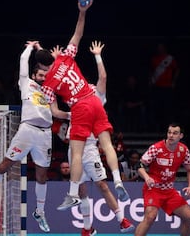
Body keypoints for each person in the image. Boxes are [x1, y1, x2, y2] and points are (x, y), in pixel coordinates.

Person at [35, 0, 129, 210]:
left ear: (41, 67)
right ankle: (119, 180)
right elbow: (78, 33)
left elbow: (56, 112)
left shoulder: (47, 86)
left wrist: (68, 115)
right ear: (52, 56)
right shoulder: (66, 57)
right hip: (94, 100)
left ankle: (72, 194)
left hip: (79, 108)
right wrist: (82, 11)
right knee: (106, 144)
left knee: (76, 153)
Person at [0, 41, 70, 233]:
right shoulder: (26, 83)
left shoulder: (49, 91)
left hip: (44, 135)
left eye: (45, 75)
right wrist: (31, 47)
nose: (43, 78)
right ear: (34, 75)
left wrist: (71, 115)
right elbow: (23, 62)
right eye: (40, 75)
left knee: (42, 176)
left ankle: (39, 212)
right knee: (5, 165)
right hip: (27, 130)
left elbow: (57, 113)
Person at [64, 40, 134, 235]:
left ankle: (122, 220)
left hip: (90, 148)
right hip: (74, 147)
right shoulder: (75, 96)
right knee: (81, 190)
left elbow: (103, 75)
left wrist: (97, 55)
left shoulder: (98, 96)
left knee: (102, 185)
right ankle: (88, 229)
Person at [134, 123, 190, 236]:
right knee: (150, 216)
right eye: (169, 132)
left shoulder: (183, 150)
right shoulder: (156, 148)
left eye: (175, 133)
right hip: (153, 189)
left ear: (181, 136)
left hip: (169, 191)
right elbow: (138, 165)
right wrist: (147, 177)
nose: (171, 135)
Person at [148, 43, 180, 131]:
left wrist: (173, 82)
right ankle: (156, 127)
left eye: (161, 48)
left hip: (167, 87)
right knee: (157, 108)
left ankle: (167, 127)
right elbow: (151, 71)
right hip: (157, 87)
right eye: (158, 48)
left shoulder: (170, 59)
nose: (160, 49)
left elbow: (177, 70)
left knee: (167, 108)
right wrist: (150, 81)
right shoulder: (154, 59)